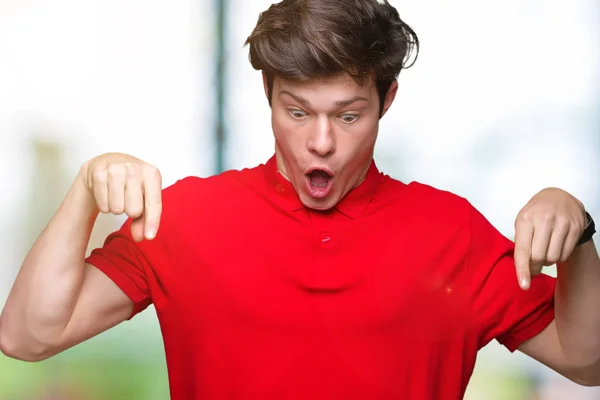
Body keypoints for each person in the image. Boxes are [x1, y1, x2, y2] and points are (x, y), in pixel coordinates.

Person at [1, 0, 599, 399]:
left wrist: (578, 239)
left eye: (348, 115)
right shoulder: (184, 219)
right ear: (266, 89)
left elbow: (587, 360)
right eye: (296, 111)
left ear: (387, 98)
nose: (320, 142)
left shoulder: (451, 231)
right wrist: (84, 192)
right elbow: (26, 337)